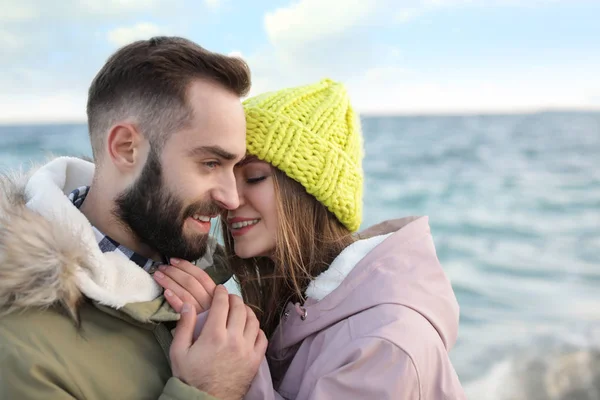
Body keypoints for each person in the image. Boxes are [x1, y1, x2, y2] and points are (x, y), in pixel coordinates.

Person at [158, 78, 467, 399]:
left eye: (254, 177)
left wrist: (226, 382)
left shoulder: (386, 346)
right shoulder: (301, 308)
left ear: (311, 194)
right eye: (221, 173)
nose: (231, 199)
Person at [0, 36, 267, 400]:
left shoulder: (211, 286)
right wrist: (208, 392)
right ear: (127, 148)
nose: (231, 197)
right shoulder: (18, 349)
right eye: (210, 163)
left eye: (235, 167)